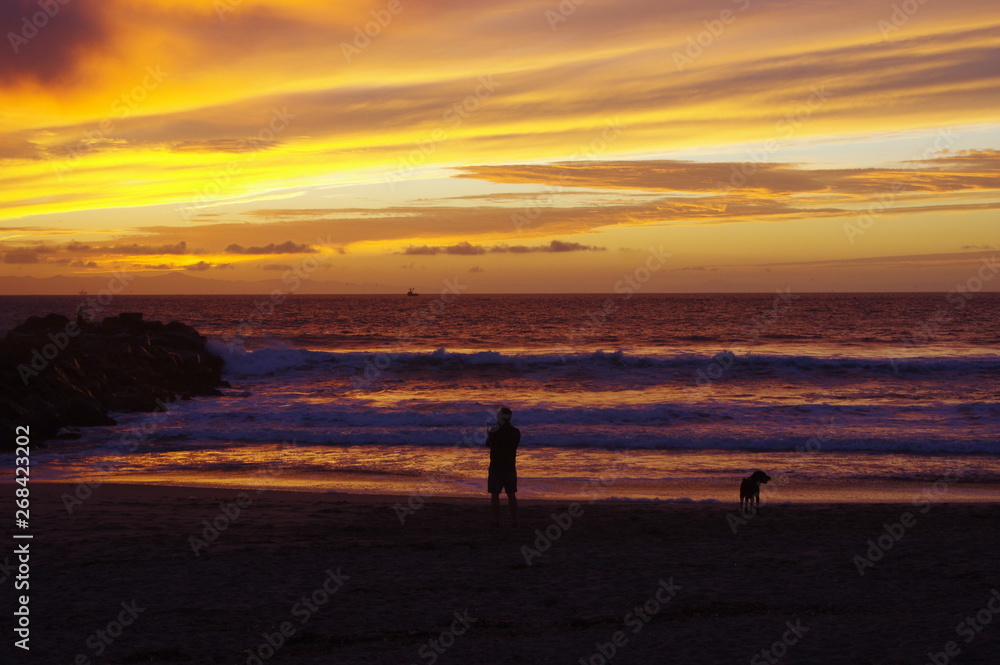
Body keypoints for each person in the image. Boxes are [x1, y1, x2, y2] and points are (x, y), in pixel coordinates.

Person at [486, 406, 520, 527]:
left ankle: (496, 521)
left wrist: (489, 433)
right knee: (511, 494)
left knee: (495, 494)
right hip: (510, 466)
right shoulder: (516, 432)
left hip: (496, 466)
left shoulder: (494, 431)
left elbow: (489, 445)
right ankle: (515, 521)